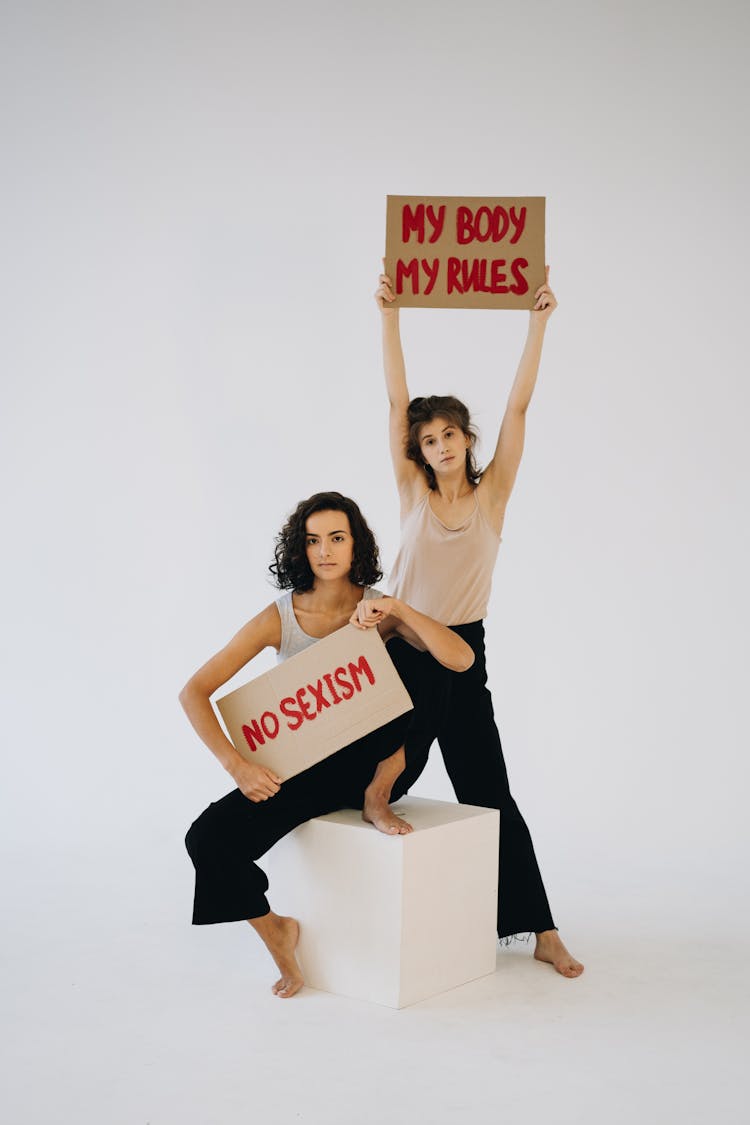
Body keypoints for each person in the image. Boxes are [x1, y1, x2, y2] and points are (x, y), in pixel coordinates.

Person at [370, 264, 584, 978]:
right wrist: (389, 316)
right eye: (428, 439)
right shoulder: (412, 494)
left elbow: (519, 411)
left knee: (489, 790)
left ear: (466, 438)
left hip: (464, 653)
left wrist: (538, 323)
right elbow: (397, 397)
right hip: (402, 648)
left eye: (450, 434)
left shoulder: (493, 496)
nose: (440, 446)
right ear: (418, 450)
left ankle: (541, 927)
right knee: (388, 781)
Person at [181, 491, 473, 998]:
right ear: (300, 549)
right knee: (206, 840)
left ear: (354, 543)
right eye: (313, 540)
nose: (325, 551)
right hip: (306, 770)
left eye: (337, 538)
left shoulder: (377, 606)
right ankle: (277, 932)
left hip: (380, 760)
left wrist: (396, 609)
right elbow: (194, 692)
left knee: (420, 656)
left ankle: (377, 797)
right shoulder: (280, 617)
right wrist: (237, 767)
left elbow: (461, 660)